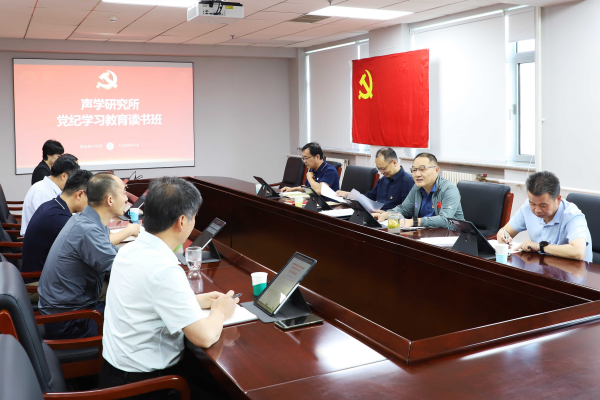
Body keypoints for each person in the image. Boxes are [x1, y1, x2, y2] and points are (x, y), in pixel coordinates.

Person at [100, 177, 239, 400]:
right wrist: (221, 311)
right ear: (182, 221)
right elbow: (204, 337)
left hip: (113, 374)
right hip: (146, 386)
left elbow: (146, 299)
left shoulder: (129, 250)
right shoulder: (164, 269)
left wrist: (196, 301)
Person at [37, 173, 140, 340]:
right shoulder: (88, 230)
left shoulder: (85, 219)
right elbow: (125, 271)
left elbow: (110, 252)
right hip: (70, 322)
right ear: (110, 200)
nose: (126, 199)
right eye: (123, 193)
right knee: (140, 319)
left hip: (70, 311)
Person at [21, 169, 93, 302]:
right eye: (90, 199)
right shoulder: (58, 219)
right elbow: (90, 247)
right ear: (79, 194)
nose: (91, 205)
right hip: (37, 284)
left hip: (41, 276)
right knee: (104, 289)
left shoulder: (53, 205)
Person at [497, 171, 592, 262]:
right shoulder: (527, 207)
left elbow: (578, 252)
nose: (537, 210)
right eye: (532, 203)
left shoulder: (572, 215)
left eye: (543, 205)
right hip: (544, 266)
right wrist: (503, 237)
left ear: (558, 199)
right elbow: (505, 231)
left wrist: (540, 247)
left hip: (574, 270)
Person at [372, 153, 465, 229]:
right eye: (414, 170)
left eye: (422, 169)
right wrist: (385, 215)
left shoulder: (449, 189)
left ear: (436, 170)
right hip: (426, 233)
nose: (417, 174)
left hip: (452, 236)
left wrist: (414, 221)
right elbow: (404, 209)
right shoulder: (417, 187)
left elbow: (445, 220)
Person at [336, 147, 413, 211]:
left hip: (391, 219)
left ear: (394, 163)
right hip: (376, 215)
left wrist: (386, 214)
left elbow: (407, 210)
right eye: (379, 169)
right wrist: (349, 195)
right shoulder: (383, 180)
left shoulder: (408, 181)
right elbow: (369, 196)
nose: (381, 172)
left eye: (383, 168)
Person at [21, 154, 79, 236]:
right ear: (64, 176)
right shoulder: (42, 192)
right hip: (41, 239)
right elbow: (50, 223)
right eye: (74, 178)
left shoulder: (51, 189)